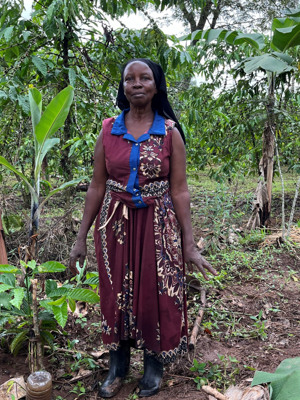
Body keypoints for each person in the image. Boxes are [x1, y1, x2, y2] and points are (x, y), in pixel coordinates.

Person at [69, 58, 218, 398]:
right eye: (129, 79)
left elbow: (179, 190)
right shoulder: (108, 130)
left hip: (158, 223)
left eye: (144, 78)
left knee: (155, 294)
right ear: (123, 86)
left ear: (156, 86)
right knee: (114, 295)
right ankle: (117, 366)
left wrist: (189, 245)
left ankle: (153, 366)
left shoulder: (169, 132)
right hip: (115, 225)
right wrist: (80, 238)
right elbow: (96, 186)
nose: (136, 84)